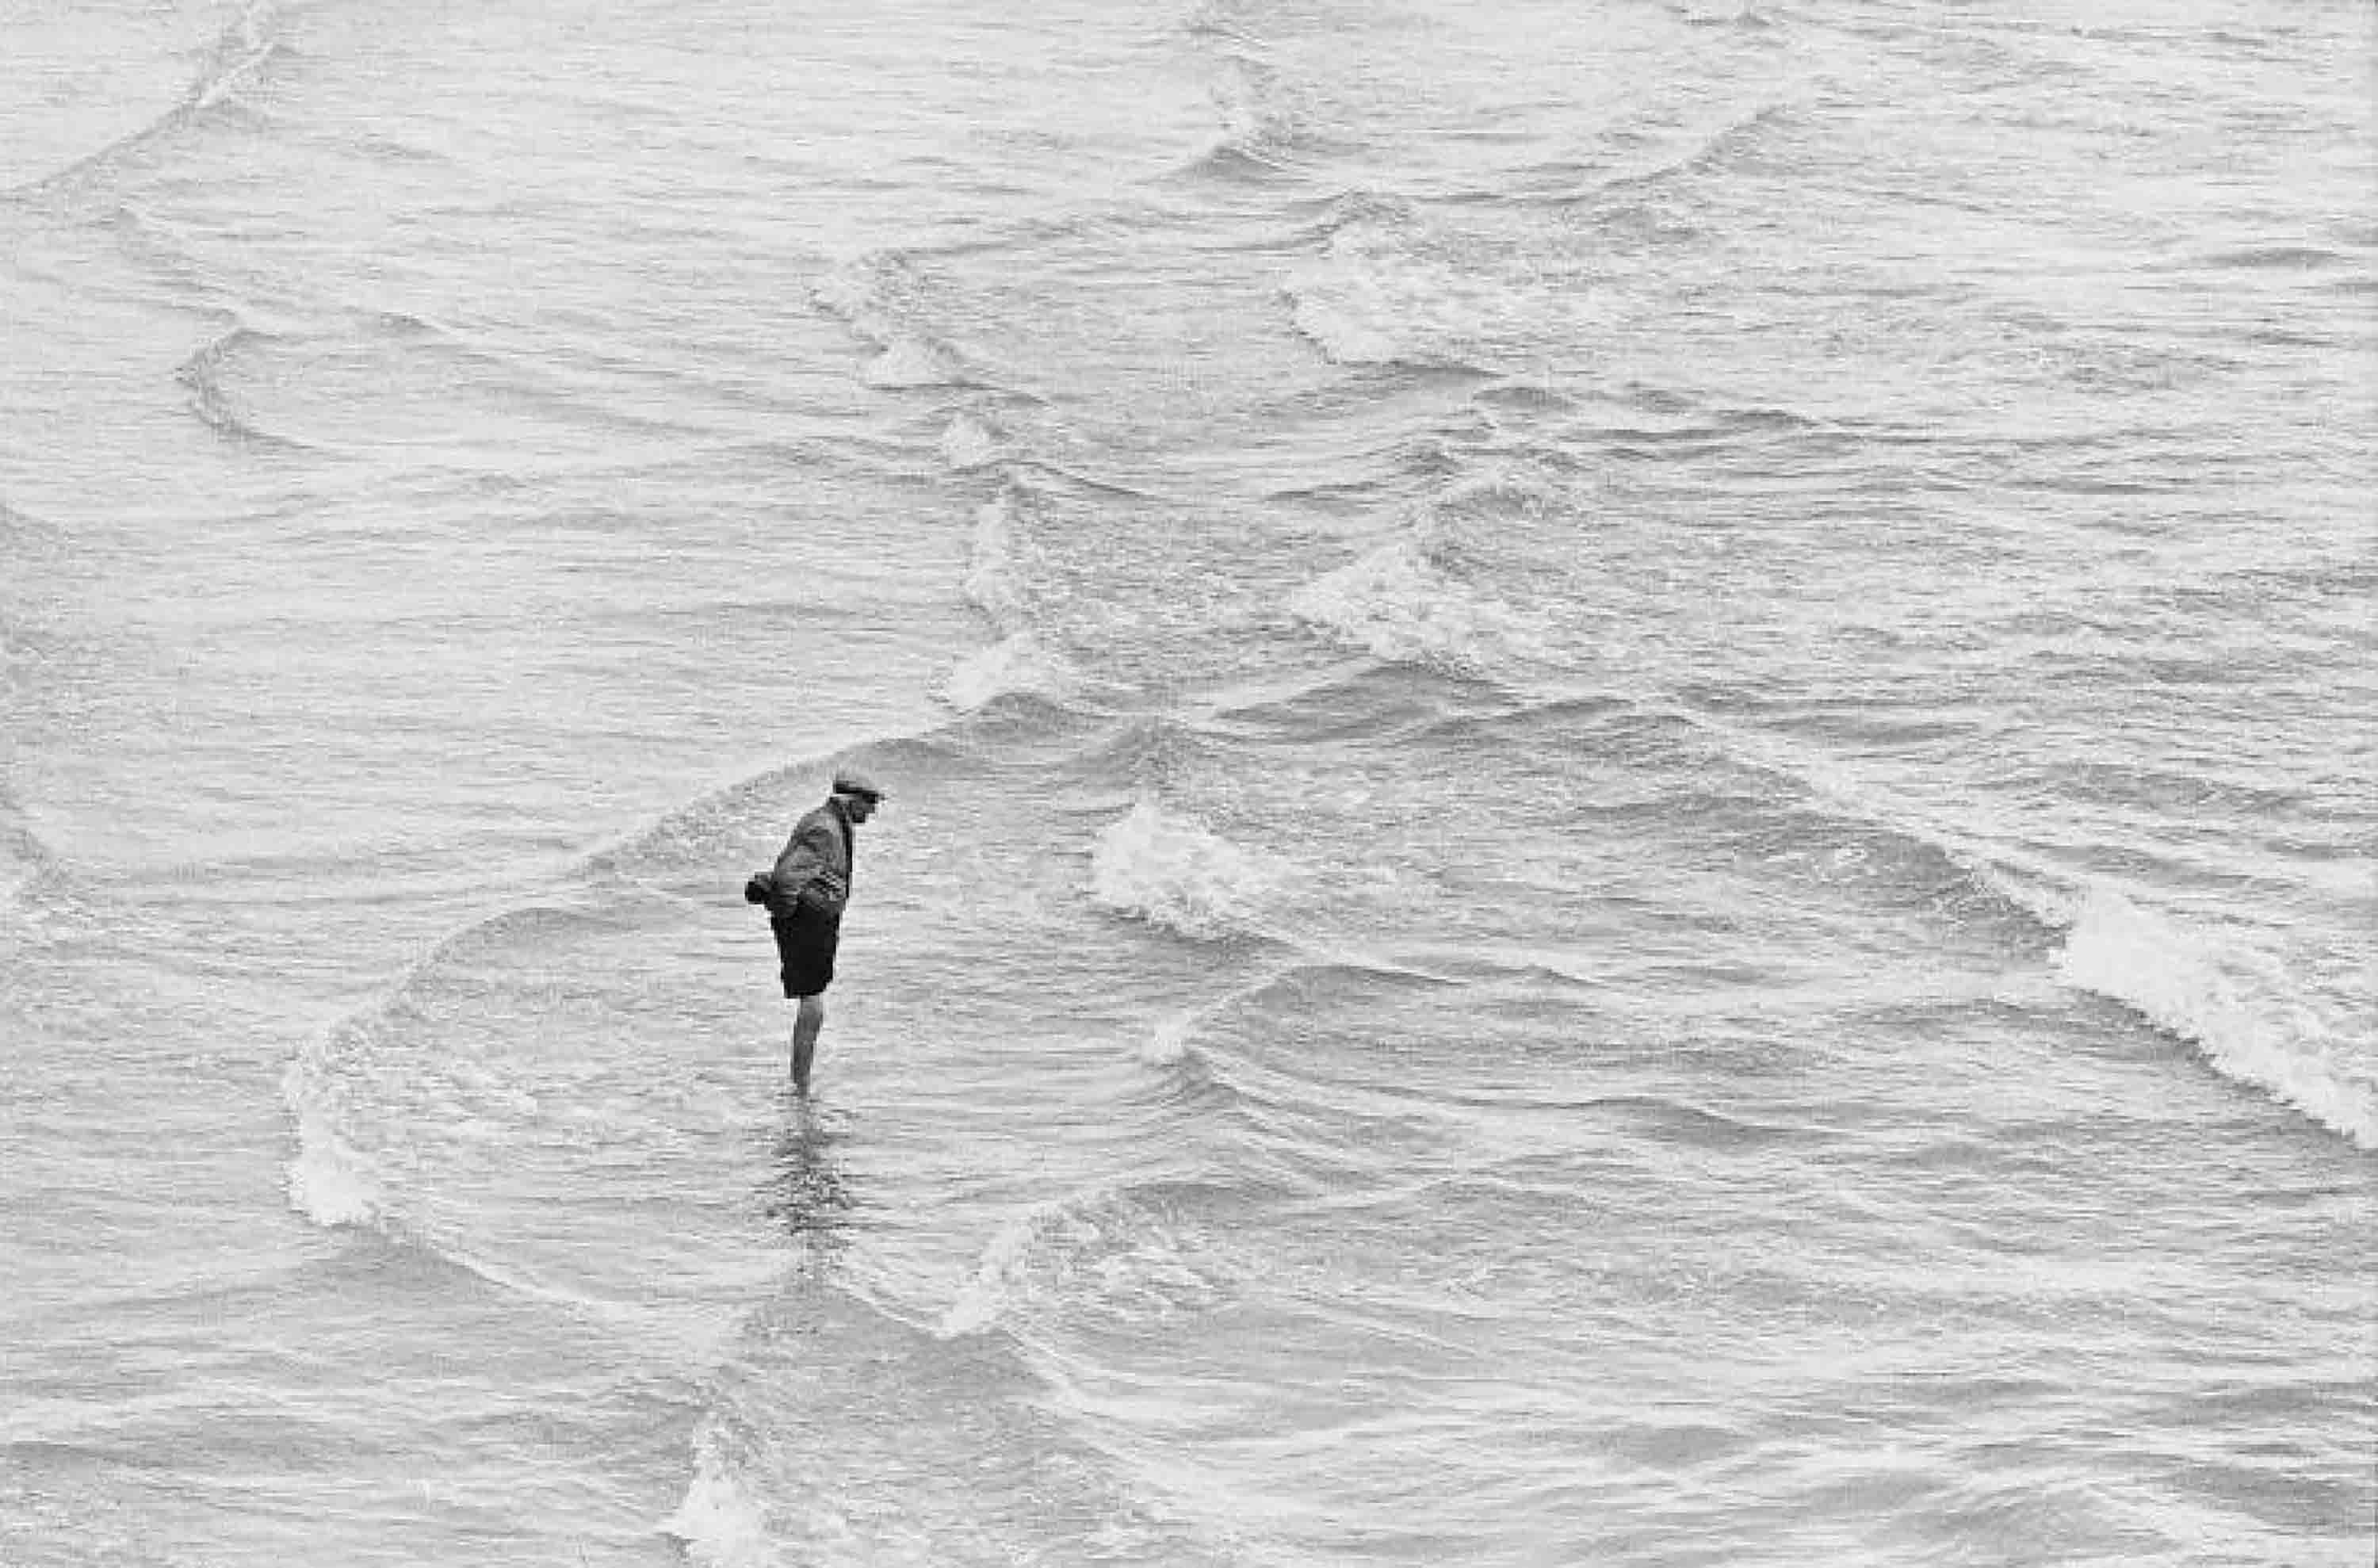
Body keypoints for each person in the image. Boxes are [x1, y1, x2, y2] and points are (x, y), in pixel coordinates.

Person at [747, 767, 883, 1092]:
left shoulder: (835, 823)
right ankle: (801, 1085)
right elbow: (786, 878)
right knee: (813, 1004)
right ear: (850, 800)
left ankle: (801, 1081)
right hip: (808, 921)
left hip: (817, 918)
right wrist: (788, 916)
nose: (873, 811)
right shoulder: (824, 828)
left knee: (814, 1001)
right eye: (869, 803)